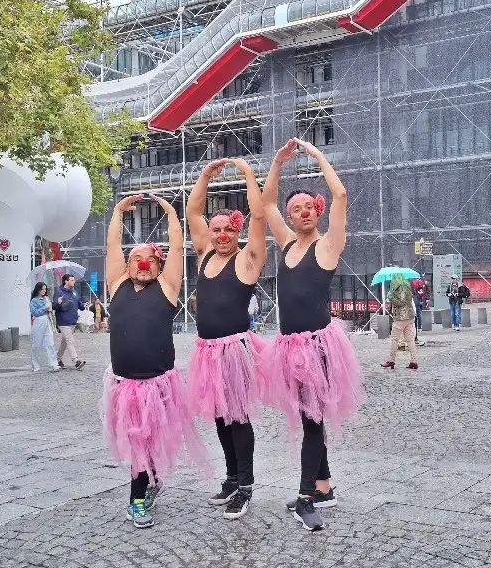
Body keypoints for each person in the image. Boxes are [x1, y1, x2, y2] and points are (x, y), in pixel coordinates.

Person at [261, 138, 365, 532]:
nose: (301, 213)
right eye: (295, 209)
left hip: (318, 348)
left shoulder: (327, 246)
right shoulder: (286, 244)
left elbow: (340, 193)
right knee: (311, 419)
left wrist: (316, 155)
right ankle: (324, 486)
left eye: (307, 207)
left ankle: (306, 497)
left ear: (316, 212)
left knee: (311, 420)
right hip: (288, 347)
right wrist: (277, 163)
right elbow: (268, 204)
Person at [103, 193, 210, 529]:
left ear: (160, 264)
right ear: (127, 264)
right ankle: (145, 487)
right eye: (136, 258)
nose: (143, 262)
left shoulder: (167, 288)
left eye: (150, 258)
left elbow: (177, 249)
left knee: (147, 439)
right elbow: (112, 247)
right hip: (124, 385)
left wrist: (169, 211)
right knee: (138, 440)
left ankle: (139, 496)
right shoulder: (117, 284)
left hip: (158, 384)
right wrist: (119, 211)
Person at [185, 157, 268, 520]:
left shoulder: (247, 260)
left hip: (235, 349)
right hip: (206, 351)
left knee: (237, 417)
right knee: (219, 417)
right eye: (216, 229)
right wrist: (206, 174)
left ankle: (246, 486)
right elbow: (193, 211)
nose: (221, 235)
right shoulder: (204, 256)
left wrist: (247, 173)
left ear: (238, 233)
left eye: (228, 231)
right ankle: (232, 478)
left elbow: (261, 216)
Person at [382, 274, 419, 369]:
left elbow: (401, 302)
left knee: (395, 340)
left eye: (393, 279)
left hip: (400, 318)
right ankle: (413, 361)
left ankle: (391, 360)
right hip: (410, 318)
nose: (392, 281)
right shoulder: (407, 287)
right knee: (410, 340)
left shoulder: (401, 288)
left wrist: (391, 298)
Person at [53, 275, 86, 370]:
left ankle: (57, 359)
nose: (74, 281)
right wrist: (58, 302)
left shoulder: (75, 292)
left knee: (65, 342)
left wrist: (84, 305)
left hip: (73, 321)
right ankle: (76, 361)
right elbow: (54, 306)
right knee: (70, 341)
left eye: (74, 280)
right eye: (71, 280)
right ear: (66, 281)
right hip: (63, 321)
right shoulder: (59, 291)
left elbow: (80, 305)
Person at [28, 283, 61, 373]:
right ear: (38, 290)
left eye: (45, 289)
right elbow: (34, 312)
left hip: (47, 320)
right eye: (42, 289)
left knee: (50, 343)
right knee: (36, 345)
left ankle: (53, 364)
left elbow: (50, 309)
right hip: (39, 321)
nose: (44, 291)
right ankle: (35, 365)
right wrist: (44, 308)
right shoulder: (34, 301)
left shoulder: (47, 299)